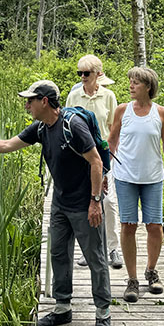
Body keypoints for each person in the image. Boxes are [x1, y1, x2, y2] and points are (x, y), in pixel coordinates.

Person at [0, 80, 112, 326]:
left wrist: (95, 202)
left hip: (84, 204)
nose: (26, 105)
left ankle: (103, 313)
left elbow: (96, 161)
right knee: (58, 254)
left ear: (44, 101)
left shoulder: (73, 126)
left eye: (30, 101)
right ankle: (62, 308)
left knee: (95, 258)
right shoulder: (42, 128)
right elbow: (6, 145)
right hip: (60, 203)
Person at [108, 66, 164, 303]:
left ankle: (151, 270)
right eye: (130, 81)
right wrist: (103, 175)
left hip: (153, 178)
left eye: (136, 82)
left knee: (154, 226)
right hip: (125, 176)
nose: (131, 86)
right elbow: (112, 142)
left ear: (148, 87)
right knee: (128, 225)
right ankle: (132, 279)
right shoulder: (122, 111)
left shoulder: (161, 113)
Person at [65, 54, 123, 270]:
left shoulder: (108, 96)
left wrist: (105, 157)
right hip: (80, 157)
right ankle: (88, 249)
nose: (82, 77)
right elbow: (68, 125)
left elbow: (113, 128)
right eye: (79, 73)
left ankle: (113, 248)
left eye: (86, 73)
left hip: (103, 156)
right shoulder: (74, 96)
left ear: (98, 74)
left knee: (107, 201)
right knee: (85, 202)